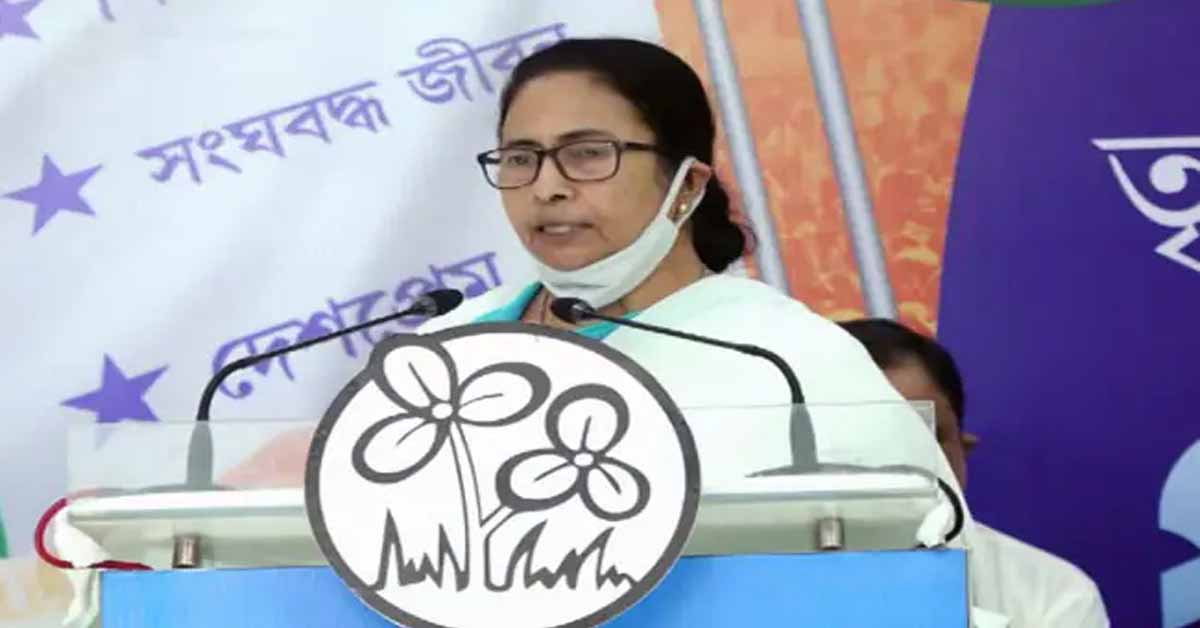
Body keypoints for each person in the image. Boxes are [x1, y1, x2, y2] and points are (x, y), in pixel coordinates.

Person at [839, 317, 1110, 628]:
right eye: (862, 440)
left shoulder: (1054, 595)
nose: (896, 464)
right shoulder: (787, 582)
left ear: (962, 450)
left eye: (922, 436)